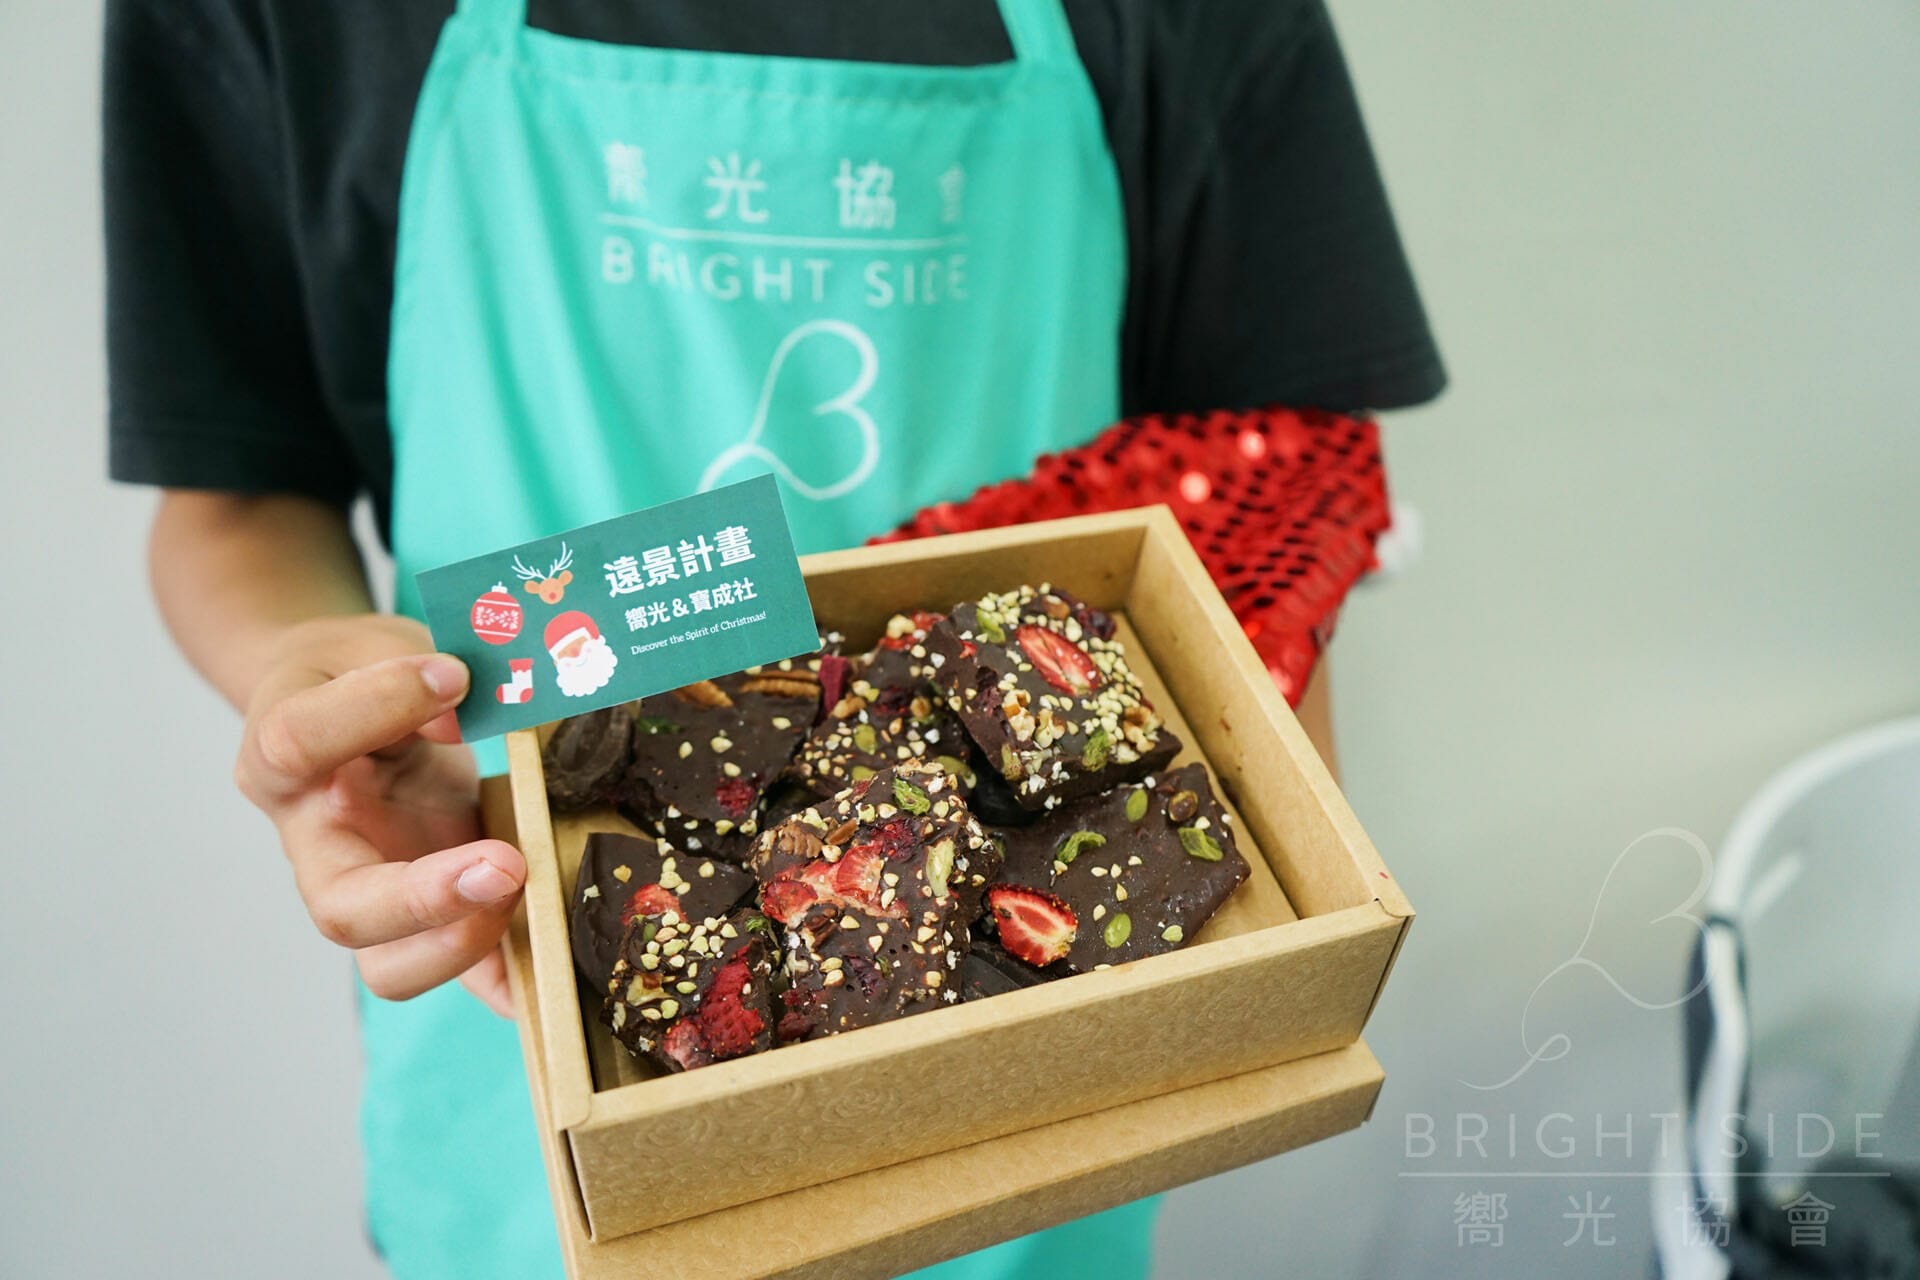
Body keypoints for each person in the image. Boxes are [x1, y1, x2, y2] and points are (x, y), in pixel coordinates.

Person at [104, 0, 1443, 1275]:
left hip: (1034, 1111)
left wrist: (1255, 908)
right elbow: (234, 496)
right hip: (504, 947)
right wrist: (317, 686)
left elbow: (1284, 482)